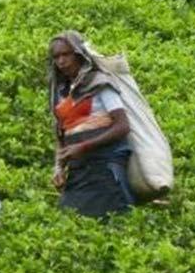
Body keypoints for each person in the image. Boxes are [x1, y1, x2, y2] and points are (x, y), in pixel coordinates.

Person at [48, 31, 136, 218]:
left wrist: (84, 146)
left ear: (78, 54)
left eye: (66, 54)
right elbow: (61, 135)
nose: (61, 61)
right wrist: (58, 167)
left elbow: (122, 126)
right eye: (56, 57)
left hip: (106, 166)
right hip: (79, 170)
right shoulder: (62, 93)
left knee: (113, 220)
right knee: (71, 220)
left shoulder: (100, 83)